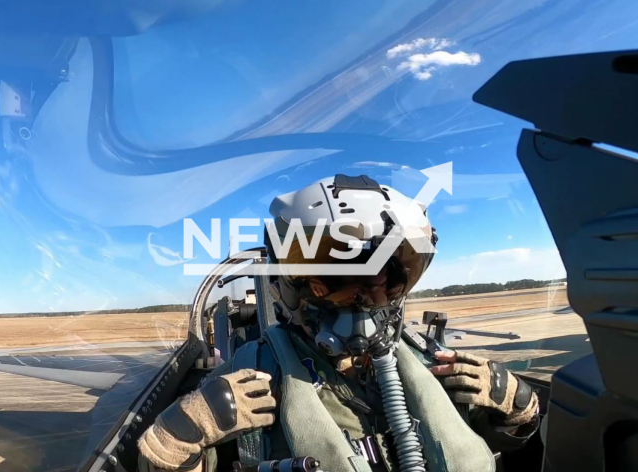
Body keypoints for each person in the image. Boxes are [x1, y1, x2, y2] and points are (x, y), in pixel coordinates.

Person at [138, 175, 540, 472]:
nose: (362, 304)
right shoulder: (251, 377)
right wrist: (177, 438)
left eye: (381, 284)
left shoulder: (431, 364)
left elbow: (498, 445)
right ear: (291, 288)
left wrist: (516, 412)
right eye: (334, 285)